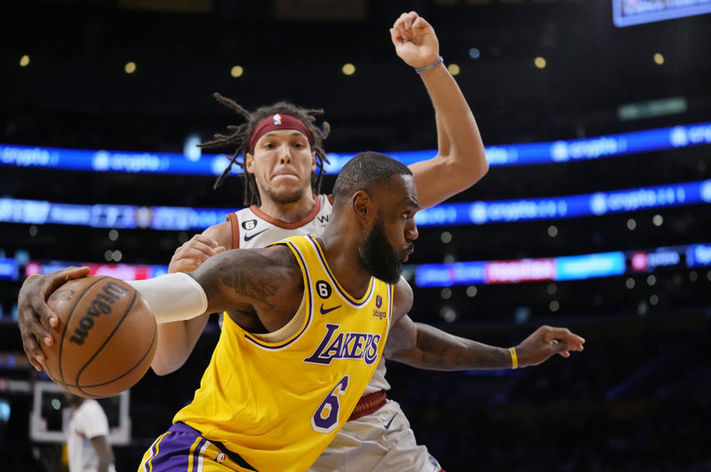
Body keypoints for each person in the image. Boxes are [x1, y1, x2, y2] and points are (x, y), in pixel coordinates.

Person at [17, 12, 586, 472]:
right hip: (260, 436)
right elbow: (166, 361)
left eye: (297, 144)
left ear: (317, 161)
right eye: (270, 146)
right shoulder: (227, 242)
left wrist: (431, 66)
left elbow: (465, 164)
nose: (285, 153)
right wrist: (163, 279)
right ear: (250, 163)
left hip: (363, 418)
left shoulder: (361, 209)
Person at [64, 393, 116, 472]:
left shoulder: (89, 409)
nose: (69, 390)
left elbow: (105, 457)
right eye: (66, 387)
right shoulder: (78, 412)